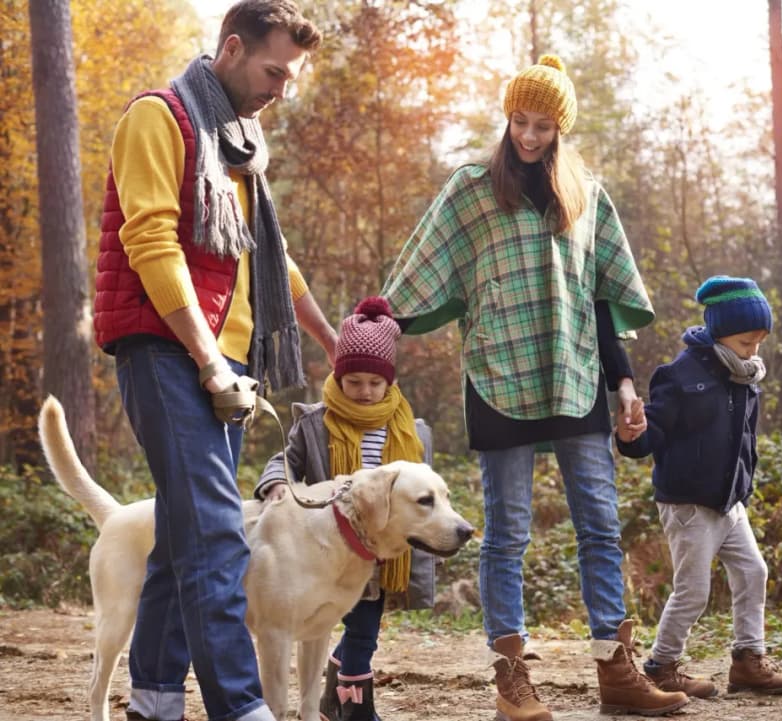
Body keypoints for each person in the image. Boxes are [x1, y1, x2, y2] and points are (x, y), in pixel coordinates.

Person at [380, 54, 688, 720]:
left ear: (560, 128)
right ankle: (511, 679)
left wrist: (624, 383)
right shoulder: (472, 189)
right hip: (499, 376)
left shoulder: (585, 194)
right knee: (507, 534)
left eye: (542, 125)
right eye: (519, 121)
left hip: (575, 374)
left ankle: (616, 669)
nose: (527, 135)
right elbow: (419, 270)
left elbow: (600, 296)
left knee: (600, 526)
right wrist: (374, 327)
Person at [91, 3, 337, 720]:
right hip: (167, 349)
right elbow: (152, 243)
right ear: (231, 49)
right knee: (219, 534)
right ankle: (241, 706)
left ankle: (154, 700)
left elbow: (271, 258)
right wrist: (207, 358)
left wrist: (330, 338)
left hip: (227, 360)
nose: (281, 90)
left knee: (182, 536)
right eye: (273, 72)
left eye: (290, 79)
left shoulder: (238, 147)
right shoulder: (157, 118)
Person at [615, 275, 782, 697]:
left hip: (729, 502)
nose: (753, 351)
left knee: (754, 572)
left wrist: (744, 485)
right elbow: (651, 435)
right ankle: (662, 666)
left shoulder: (745, 377)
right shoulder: (680, 375)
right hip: (689, 504)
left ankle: (748, 662)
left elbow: (745, 440)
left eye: (759, 343)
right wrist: (631, 436)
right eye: (745, 342)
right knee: (694, 591)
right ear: (719, 332)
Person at [254, 296, 433, 721]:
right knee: (333, 622)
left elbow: (422, 489)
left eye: (375, 382)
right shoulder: (316, 424)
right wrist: (276, 483)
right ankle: (350, 704)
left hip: (381, 547)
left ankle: (345, 691)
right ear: (339, 376)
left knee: (364, 630)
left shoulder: (411, 432)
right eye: (354, 382)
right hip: (329, 550)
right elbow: (285, 461)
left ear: (389, 383)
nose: (365, 392)